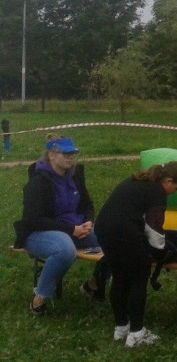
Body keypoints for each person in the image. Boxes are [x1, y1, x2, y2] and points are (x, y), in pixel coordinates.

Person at [94, 162, 177, 347]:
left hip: (104, 230)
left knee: (119, 278)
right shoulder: (157, 193)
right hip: (127, 234)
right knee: (138, 281)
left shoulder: (137, 181)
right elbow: (154, 227)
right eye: (175, 188)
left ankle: (121, 328)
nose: (174, 192)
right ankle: (136, 333)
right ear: (168, 180)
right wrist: (162, 252)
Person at [14, 135, 109, 314]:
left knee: (115, 239)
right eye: (65, 154)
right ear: (51, 155)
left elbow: (87, 204)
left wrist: (88, 221)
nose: (70, 157)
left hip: (74, 229)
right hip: (38, 233)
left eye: (72, 153)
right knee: (65, 250)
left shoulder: (75, 176)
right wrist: (71, 229)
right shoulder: (38, 182)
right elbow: (34, 219)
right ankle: (39, 300)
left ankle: (93, 285)